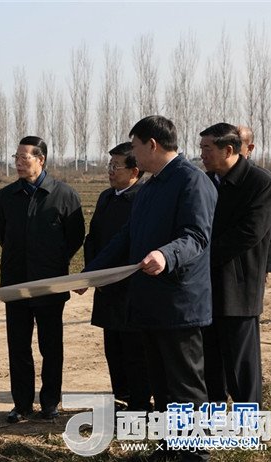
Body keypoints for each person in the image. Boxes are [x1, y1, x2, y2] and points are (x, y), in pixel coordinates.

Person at [81, 116, 217, 462]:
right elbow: (126, 237)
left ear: (152, 145)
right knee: (160, 382)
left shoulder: (192, 181)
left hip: (179, 304)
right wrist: (91, 274)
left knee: (184, 384)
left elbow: (196, 236)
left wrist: (165, 255)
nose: (133, 154)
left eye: (136, 147)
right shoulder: (151, 187)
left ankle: (194, 453)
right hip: (149, 303)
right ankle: (170, 445)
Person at [0, 136, 85, 423]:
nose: (19, 163)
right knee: (18, 347)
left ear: (41, 160)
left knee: (51, 347)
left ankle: (50, 402)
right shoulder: (6, 196)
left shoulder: (64, 195)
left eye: (25, 158)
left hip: (50, 284)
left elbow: (75, 237)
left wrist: (53, 261)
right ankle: (21, 404)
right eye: (16, 158)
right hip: (16, 283)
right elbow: (2, 234)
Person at [200, 123, 271, 406]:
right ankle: (213, 415)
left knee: (241, 363)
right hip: (205, 282)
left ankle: (249, 419)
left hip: (239, 284)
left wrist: (202, 254)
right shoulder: (205, 181)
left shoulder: (260, 182)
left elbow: (251, 232)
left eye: (207, 149)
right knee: (210, 359)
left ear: (228, 150)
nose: (202, 155)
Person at [83, 142, 151, 412]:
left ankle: (140, 403)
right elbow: (93, 239)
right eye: (109, 165)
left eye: (116, 166)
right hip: (105, 287)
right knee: (113, 348)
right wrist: (93, 274)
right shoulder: (106, 198)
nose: (110, 171)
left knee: (135, 351)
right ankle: (120, 397)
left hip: (131, 288)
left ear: (135, 171)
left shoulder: (143, 198)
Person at [238, 125, 271, 276]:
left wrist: (267, 266)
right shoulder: (215, 177)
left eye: (237, 144)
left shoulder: (263, 181)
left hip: (253, 263)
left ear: (249, 148)